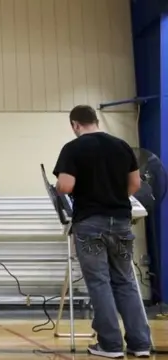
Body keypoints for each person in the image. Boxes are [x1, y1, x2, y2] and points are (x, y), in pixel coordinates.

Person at [53, 105, 151, 359]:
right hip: (120, 222)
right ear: (96, 120)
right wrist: (113, 197)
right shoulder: (122, 146)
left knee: (99, 282)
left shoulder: (72, 149)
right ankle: (140, 343)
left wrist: (59, 186)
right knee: (126, 280)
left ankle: (110, 345)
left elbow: (65, 186)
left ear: (75, 124)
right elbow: (135, 184)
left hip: (90, 223)